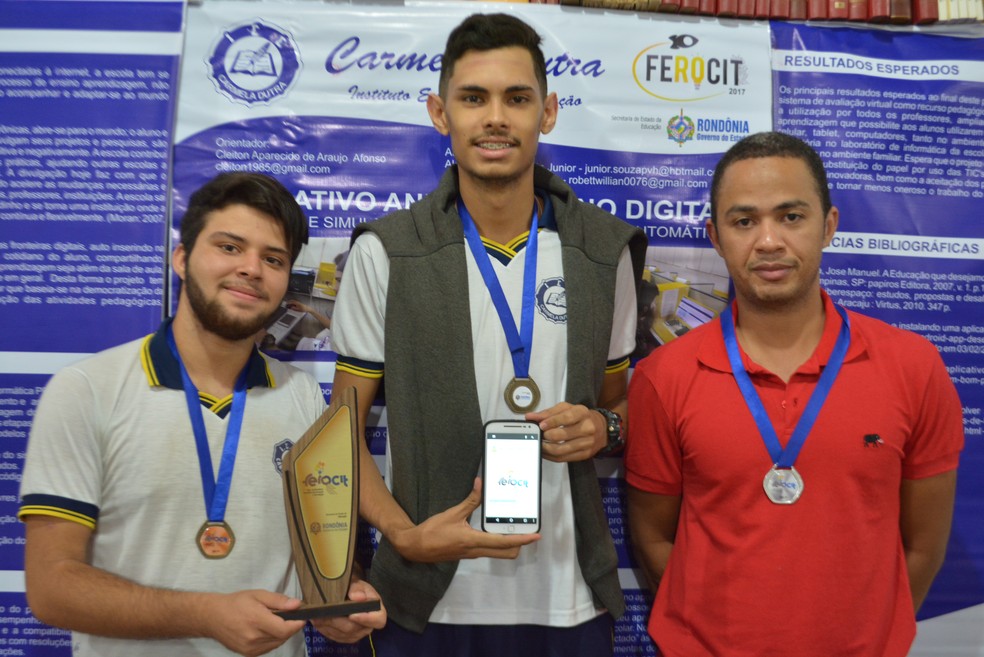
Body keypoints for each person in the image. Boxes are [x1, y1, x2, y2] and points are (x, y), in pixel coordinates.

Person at [329, 13, 646, 656]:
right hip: (426, 598)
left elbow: (624, 406)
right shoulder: (387, 252)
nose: (495, 117)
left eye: (517, 98)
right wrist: (402, 532)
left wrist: (605, 429)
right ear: (439, 113)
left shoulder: (602, 252)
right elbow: (339, 433)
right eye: (473, 98)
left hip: (569, 600)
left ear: (548, 113)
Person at [18, 172, 386, 657]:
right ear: (182, 259)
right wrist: (206, 614)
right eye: (230, 247)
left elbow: (319, 554)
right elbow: (52, 589)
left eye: (272, 259)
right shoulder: (87, 389)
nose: (252, 269)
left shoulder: (301, 397)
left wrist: (342, 600)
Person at [625, 131, 964, 656]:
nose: (768, 242)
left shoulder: (913, 367)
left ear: (828, 225)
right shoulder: (663, 376)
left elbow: (923, 547)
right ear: (716, 237)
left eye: (791, 216)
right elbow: (654, 541)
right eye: (744, 221)